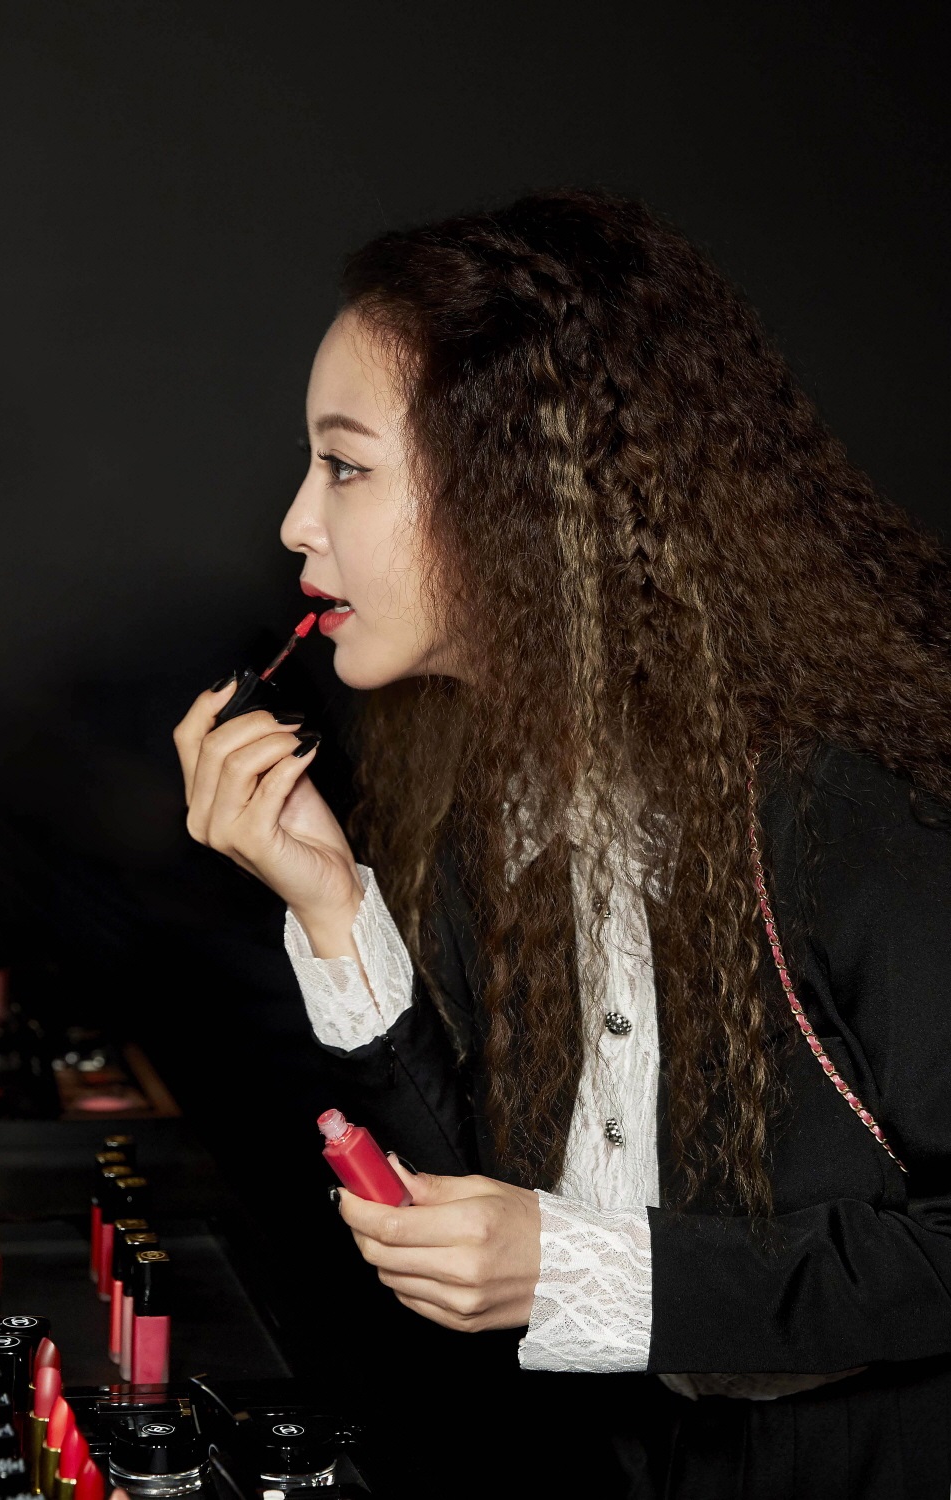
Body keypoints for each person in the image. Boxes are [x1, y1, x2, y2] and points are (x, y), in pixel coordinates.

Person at [173, 187, 951, 1497]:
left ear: (520, 495)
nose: (298, 523)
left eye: (346, 467)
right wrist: (330, 903)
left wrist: (591, 1271)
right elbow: (472, 1207)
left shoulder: (848, 808)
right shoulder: (488, 794)